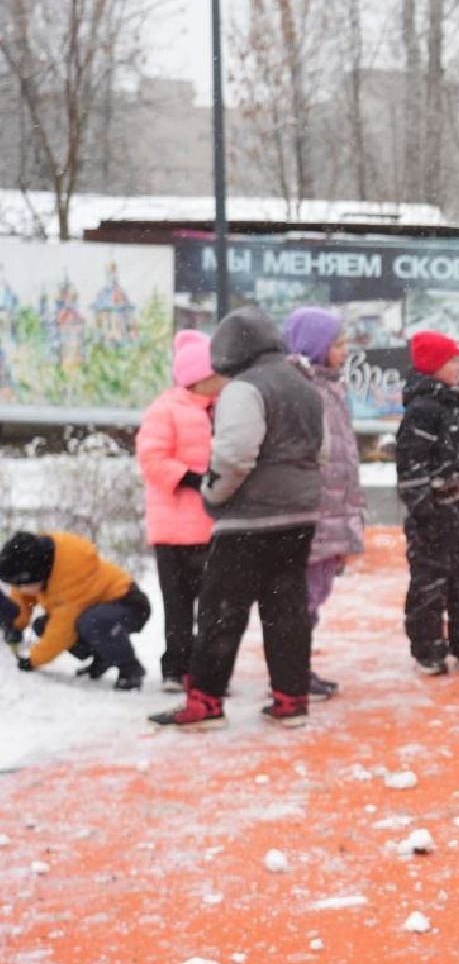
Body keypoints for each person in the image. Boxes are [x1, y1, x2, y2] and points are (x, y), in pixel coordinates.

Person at [149, 307, 326, 730]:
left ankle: (205, 703)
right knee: (287, 608)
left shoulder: (245, 389)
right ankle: (291, 699)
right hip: (299, 515)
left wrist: (213, 493)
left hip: (249, 519)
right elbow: (324, 451)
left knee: (221, 610)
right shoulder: (304, 386)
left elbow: (234, 455)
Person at [396, 330, 459, 675]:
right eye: (452, 361)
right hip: (435, 514)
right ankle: (428, 650)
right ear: (433, 366)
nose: (458, 368)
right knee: (429, 583)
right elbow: (411, 465)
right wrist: (425, 509)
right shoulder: (422, 409)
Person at [282, 308, 364, 700]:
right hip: (312, 510)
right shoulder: (304, 390)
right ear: (315, 346)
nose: (345, 351)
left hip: (331, 510)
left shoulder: (331, 387)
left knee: (315, 594)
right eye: (338, 344)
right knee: (303, 596)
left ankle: (297, 667)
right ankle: (291, 671)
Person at [136, 329, 224, 692]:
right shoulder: (165, 409)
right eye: (218, 372)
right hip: (173, 529)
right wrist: (191, 479)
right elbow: (152, 459)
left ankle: (207, 670)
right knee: (178, 605)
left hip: (212, 526)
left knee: (214, 606)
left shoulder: (222, 409)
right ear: (200, 377)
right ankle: (175, 667)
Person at [1, 531, 152, 690]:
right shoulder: (37, 563)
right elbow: (21, 598)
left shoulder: (70, 574)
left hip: (129, 603)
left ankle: (130, 668)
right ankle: (103, 657)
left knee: (91, 623)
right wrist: (15, 623)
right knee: (42, 626)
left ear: (38, 575)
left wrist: (33, 660)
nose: (19, 589)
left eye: (22, 585)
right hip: (94, 610)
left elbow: (61, 631)